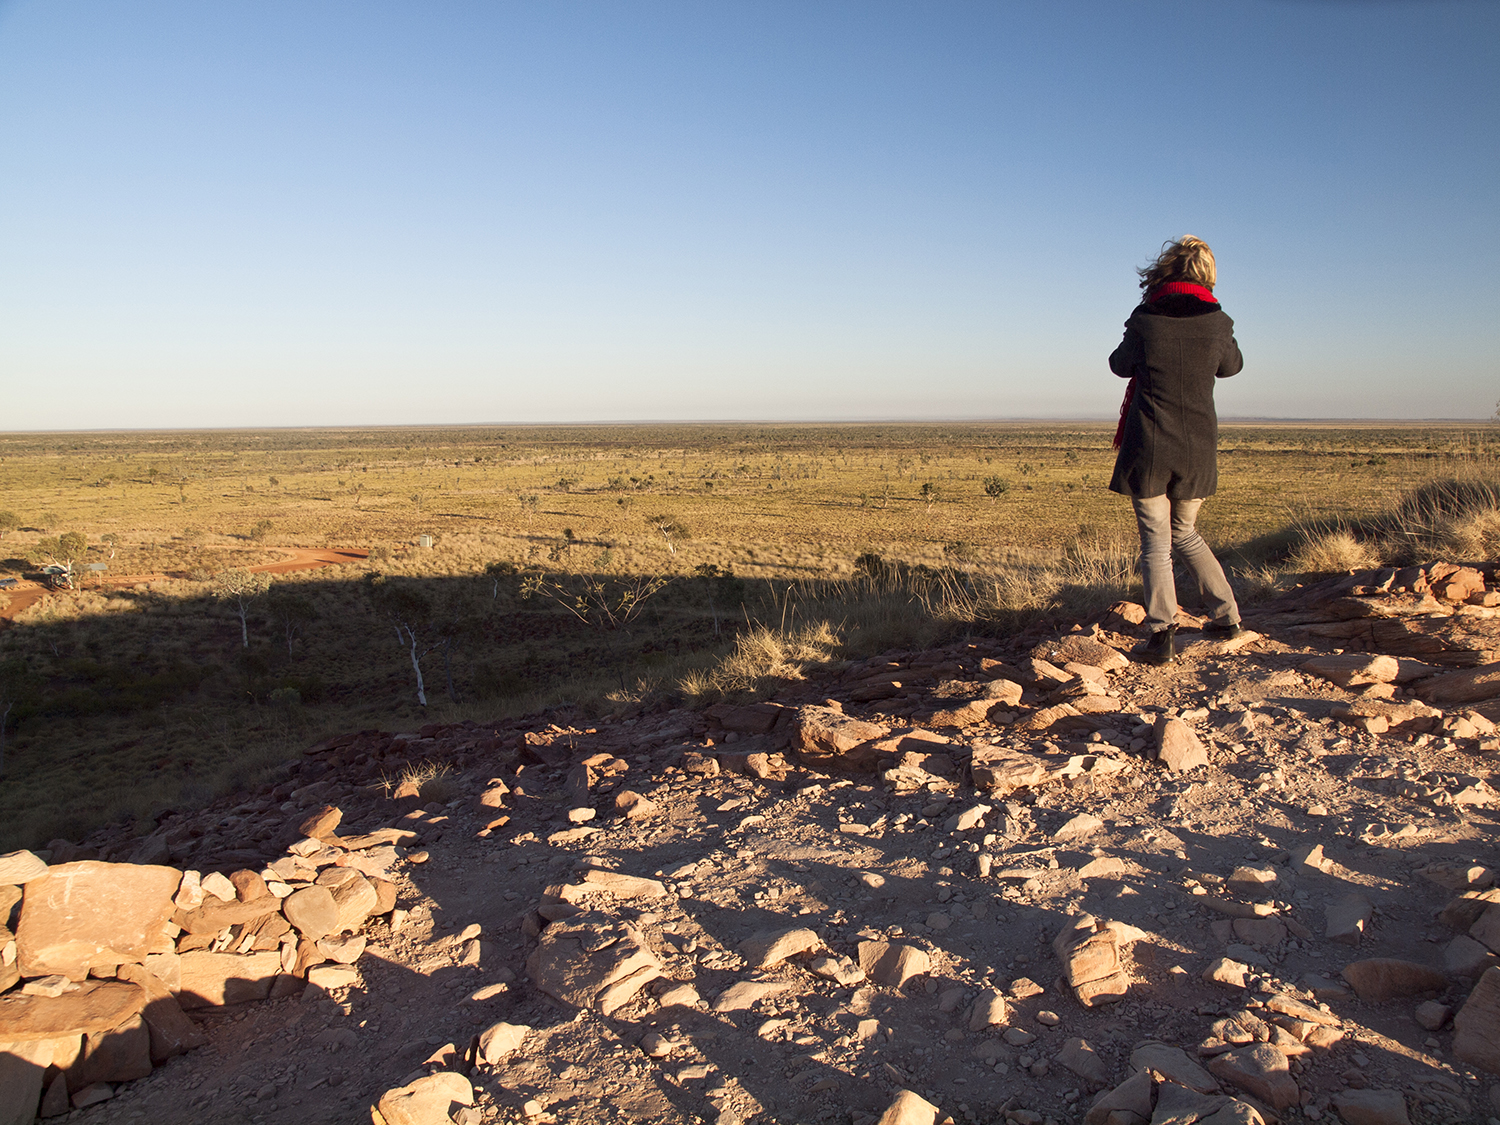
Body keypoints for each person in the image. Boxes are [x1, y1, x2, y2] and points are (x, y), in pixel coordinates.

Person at [1108, 235, 1243, 665]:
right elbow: (1231, 366)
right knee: (1184, 532)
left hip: (1149, 444)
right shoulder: (1219, 321)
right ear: (1207, 275)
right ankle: (1226, 617)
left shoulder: (1146, 318)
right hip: (1197, 447)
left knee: (1156, 542)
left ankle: (1162, 633)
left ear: (1164, 271)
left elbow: (1119, 364)